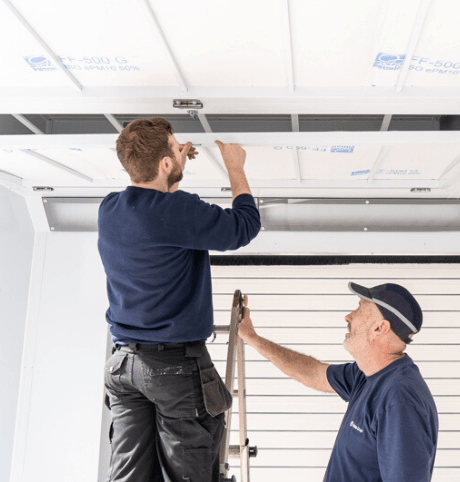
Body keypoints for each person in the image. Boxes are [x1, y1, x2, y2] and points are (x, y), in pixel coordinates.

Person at [97, 117, 261, 482]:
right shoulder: (177, 211)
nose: (181, 151)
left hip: (124, 367)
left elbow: (155, 210)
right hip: (171, 369)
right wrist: (235, 167)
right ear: (165, 163)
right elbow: (244, 227)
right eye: (175, 149)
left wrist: (171, 170)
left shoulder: (109, 209)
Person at [238, 282, 439, 482]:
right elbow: (313, 373)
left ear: (379, 328)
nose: (348, 317)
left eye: (360, 308)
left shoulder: (399, 400)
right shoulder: (367, 375)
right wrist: (252, 338)